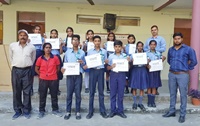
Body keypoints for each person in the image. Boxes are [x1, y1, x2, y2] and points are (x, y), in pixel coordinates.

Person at [162, 32, 197, 123]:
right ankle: (172, 111)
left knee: (183, 95)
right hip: (172, 74)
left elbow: (194, 61)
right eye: (175, 39)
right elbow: (169, 60)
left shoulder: (188, 49)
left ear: (182, 39)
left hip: (183, 75)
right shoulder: (171, 50)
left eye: (178, 38)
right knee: (172, 94)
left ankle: (182, 114)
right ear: (173, 39)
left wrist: (186, 68)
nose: (176, 40)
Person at [9, 29, 36, 119]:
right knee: (16, 91)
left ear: (27, 37)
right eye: (21, 35)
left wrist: (26, 65)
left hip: (27, 71)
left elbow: (33, 59)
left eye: (24, 35)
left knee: (27, 91)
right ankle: (17, 110)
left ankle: (26, 110)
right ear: (18, 36)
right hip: (16, 70)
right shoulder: (12, 46)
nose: (22, 37)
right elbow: (11, 57)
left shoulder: (31, 47)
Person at [83, 35, 108, 119]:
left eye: (98, 41)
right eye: (95, 41)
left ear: (100, 42)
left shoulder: (104, 51)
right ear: (93, 42)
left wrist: (106, 62)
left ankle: (102, 111)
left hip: (101, 71)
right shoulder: (90, 51)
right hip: (93, 71)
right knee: (91, 92)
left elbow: (106, 61)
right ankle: (90, 111)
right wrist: (86, 65)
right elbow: (88, 62)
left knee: (101, 92)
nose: (97, 42)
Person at [35, 43, 63, 119]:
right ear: (43, 49)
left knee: (54, 96)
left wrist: (53, 73)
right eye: (46, 47)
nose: (48, 49)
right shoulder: (40, 58)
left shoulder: (55, 58)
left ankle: (55, 110)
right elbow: (36, 68)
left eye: (49, 47)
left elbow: (58, 68)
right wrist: (41, 75)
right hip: (43, 79)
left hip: (53, 79)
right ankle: (41, 111)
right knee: (42, 96)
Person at [62, 34, 85, 120]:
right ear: (71, 42)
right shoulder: (67, 52)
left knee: (78, 94)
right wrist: (62, 69)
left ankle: (78, 111)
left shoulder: (82, 52)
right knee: (69, 94)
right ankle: (68, 111)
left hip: (78, 75)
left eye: (77, 40)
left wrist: (82, 63)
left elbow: (85, 66)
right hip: (70, 76)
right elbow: (64, 64)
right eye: (74, 40)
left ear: (79, 42)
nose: (75, 41)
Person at [107, 40, 131, 118]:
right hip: (113, 74)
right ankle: (113, 110)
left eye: (119, 46)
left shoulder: (125, 56)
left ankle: (120, 110)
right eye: (116, 46)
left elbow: (128, 68)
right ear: (114, 47)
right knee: (113, 93)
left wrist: (128, 62)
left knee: (121, 94)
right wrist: (111, 67)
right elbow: (107, 67)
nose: (117, 48)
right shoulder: (110, 56)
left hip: (122, 75)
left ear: (121, 47)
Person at [144, 25, 166, 95]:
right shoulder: (148, 40)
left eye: (155, 30)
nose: (154, 31)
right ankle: (148, 90)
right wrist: (150, 51)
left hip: (157, 59)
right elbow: (145, 48)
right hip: (149, 60)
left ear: (157, 30)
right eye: (152, 30)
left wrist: (155, 50)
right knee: (149, 76)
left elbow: (163, 48)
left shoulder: (161, 39)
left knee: (156, 76)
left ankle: (155, 90)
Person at [129, 41, 148, 111]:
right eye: (138, 46)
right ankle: (134, 103)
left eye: (141, 46)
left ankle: (140, 103)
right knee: (134, 87)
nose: (140, 47)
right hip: (135, 70)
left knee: (142, 87)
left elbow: (147, 64)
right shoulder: (133, 54)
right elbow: (130, 64)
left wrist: (147, 61)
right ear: (136, 47)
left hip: (142, 70)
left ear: (143, 47)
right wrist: (131, 61)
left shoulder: (145, 54)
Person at [146, 40, 165, 108]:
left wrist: (163, 59)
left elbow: (161, 60)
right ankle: (149, 101)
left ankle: (153, 102)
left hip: (156, 71)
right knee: (149, 86)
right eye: (151, 44)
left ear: (156, 45)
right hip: (149, 71)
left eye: (154, 44)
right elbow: (144, 62)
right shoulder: (146, 53)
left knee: (154, 86)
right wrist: (146, 64)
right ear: (149, 45)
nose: (152, 46)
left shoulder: (158, 53)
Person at [49, 29, 65, 95]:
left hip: (57, 57)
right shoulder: (48, 41)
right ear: (50, 34)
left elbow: (61, 52)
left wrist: (60, 45)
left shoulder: (58, 42)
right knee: (50, 73)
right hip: (50, 58)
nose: (54, 35)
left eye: (55, 33)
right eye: (52, 33)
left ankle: (57, 89)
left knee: (57, 74)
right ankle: (50, 89)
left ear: (57, 35)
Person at [30, 25, 45, 96]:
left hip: (39, 54)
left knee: (40, 72)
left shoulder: (42, 38)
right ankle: (30, 89)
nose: (38, 31)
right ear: (33, 30)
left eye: (39, 30)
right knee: (31, 73)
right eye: (36, 29)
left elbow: (43, 48)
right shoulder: (29, 38)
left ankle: (40, 89)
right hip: (32, 54)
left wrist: (44, 41)